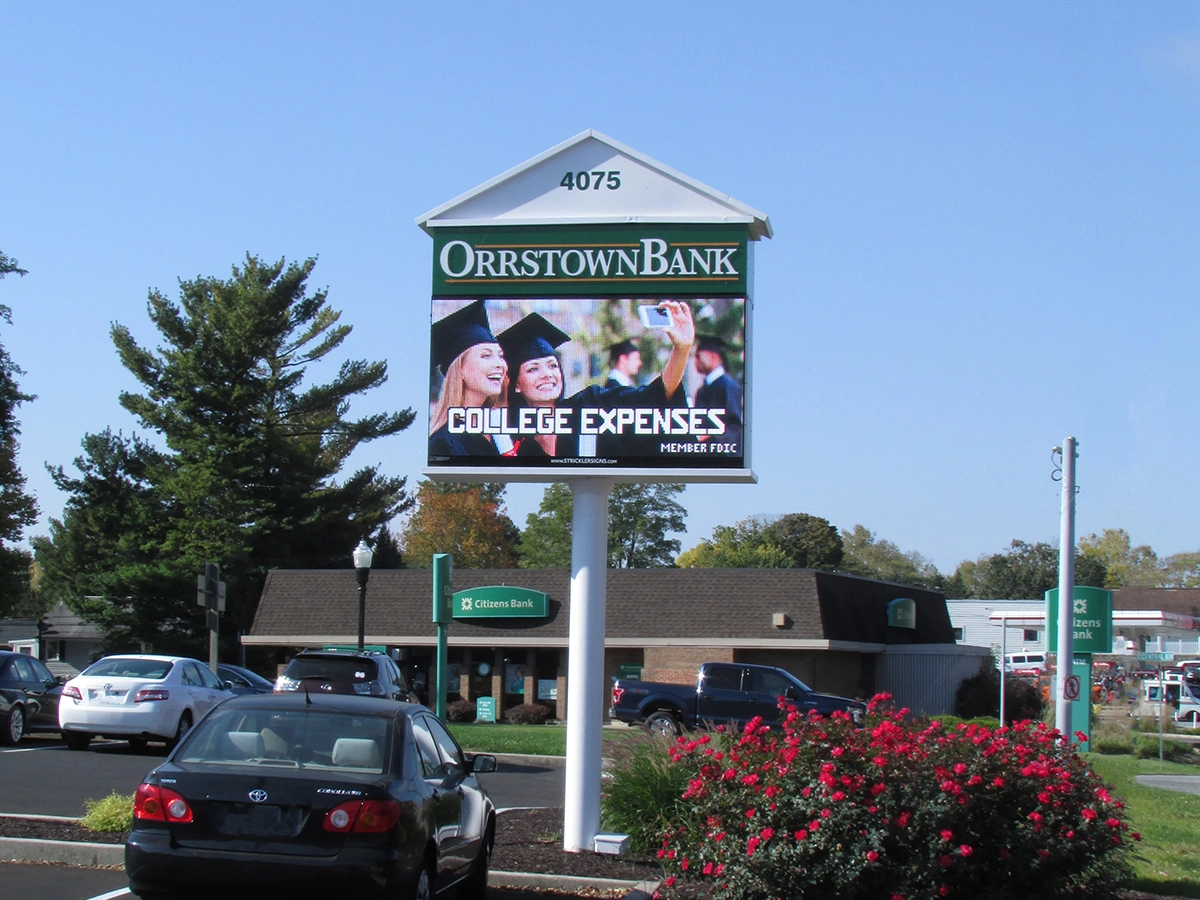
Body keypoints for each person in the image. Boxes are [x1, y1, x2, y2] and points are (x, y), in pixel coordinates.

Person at [497, 301, 694, 459]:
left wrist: (681, 349)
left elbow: (654, 397)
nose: (547, 374)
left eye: (553, 365)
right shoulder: (520, 443)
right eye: (533, 369)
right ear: (517, 384)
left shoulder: (591, 405)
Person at [428, 300, 510, 458]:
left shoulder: (495, 432)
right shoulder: (445, 443)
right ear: (460, 370)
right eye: (486, 355)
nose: (500, 364)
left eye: (501, 356)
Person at [692, 334, 743, 452]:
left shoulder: (728, 387)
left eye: (698, 356)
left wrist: (710, 437)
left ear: (714, 357)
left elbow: (734, 428)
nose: (695, 361)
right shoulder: (702, 390)